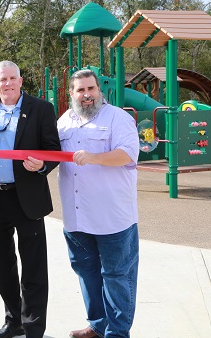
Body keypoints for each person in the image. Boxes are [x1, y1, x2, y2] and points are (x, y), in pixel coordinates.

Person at [0, 61, 61, 338]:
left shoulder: (40, 109)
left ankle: (33, 327)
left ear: (21, 80)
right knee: (2, 263)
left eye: (13, 78)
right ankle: (13, 320)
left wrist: (41, 166)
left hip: (26, 197)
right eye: (3, 79)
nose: (8, 83)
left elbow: (53, 150)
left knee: (34, 266)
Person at [56, 69, 140, 338]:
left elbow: (127, 154)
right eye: (80, 90)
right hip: (76, 216)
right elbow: (49, 153)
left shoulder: (118, 118)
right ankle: (97, 325)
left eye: (91, 89)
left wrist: (94, 157)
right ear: (72, 93)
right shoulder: (63, 122)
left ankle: (117, 332)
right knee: (86, 271)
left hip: (112, 217)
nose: (87, 95)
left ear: (99, 90)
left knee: (117, 276)